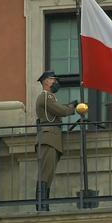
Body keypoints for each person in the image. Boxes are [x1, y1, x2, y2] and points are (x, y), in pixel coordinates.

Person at [35, 71, 77, 211]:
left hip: (52, 138)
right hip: (48, 138)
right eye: (53, 80)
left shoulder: (50, 98)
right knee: (45, 173)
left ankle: (43, 203)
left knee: (48, 173)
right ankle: (41, 205)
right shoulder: (45, 97)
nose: (56, 83)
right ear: (46, 81)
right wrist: (72, 108)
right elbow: (61, 111)